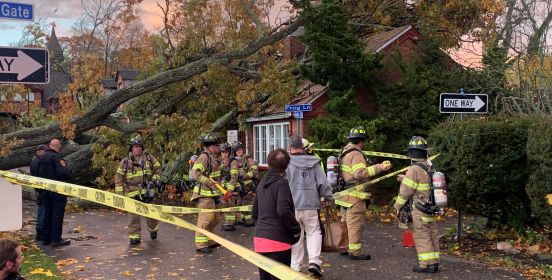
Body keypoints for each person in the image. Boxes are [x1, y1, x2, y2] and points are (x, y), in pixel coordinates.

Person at [337, 127, 392, 260]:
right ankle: (354, 252)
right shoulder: (356, 154)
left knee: (345, 221)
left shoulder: (344, 151)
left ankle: (345, 247)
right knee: (355, 222)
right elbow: (359, 173)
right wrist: (380, 167)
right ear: (361, 141)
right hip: (355, 194)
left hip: (344, 193)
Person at [286, 136, 332, 277]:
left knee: (296, 236)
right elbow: (323, 184)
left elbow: (281, 184)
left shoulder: (286, 164)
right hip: (311, 205)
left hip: (292, 206)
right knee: (314, 232)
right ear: (302, 147)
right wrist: (329, 198)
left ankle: (295, 266)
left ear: (289, 148)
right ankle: (314, 262)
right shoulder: (314, 163)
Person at [253, 148, 301, 280]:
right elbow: (283, 211)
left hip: (260, 241)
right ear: (286, 166)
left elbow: (254, 212)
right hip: (279, 242)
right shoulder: (282, 184)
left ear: (269, 164)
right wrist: (296, 229)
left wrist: (263, 230)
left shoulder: (261, 184)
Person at [393, 136, 440, 273]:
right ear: (425, 152)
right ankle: (434, 262)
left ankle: (426, 264)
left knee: (421, 236)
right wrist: (405, 178)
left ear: (411, 153)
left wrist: (397, 206)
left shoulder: (414, 169)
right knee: (432, 235)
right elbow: (422, 184)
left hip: (419, 209)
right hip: (430, 207)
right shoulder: (429, 167)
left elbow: (406, 191)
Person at [114, 135, 163, 245]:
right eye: (135, 146)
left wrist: (153, 181)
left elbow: (158, 170)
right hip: (132, 193)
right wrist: (119, 195)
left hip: (147, 192)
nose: (138, 149)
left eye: (140, 146)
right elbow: (119, 178)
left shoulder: (149, 158)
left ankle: (153, 230)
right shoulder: (125, 162)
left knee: (152, 215)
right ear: (131, 148)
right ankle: (134, 237)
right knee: (133, 218)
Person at [190, 133, 223, 253]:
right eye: (217, 145)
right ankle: (201, 244)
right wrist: (208, 183)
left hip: (213, 194)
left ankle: (209, 240)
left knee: (215, 218)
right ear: (212, 146)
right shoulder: (204, 157)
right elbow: (196, 173)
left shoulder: (213, 157)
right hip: (204, 194)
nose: (219, 147)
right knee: (206, 219)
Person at [38, 139, 71, 247]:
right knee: (57, 214)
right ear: (58, 146)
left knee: (47, 214)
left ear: (49, 146)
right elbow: (63, 172)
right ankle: (56, 239)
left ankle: (46, 239)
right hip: (57, 191)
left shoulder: (42, 157)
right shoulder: (56, 157)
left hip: (45, 190)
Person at [230, 141, 258, 227]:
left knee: (246, 202)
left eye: (240, 149)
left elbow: (255, 170)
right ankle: (243, 219)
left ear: (243, 149)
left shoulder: (248, 159)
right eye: (237, 150)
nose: (239, 151)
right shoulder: (233, 161)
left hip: (248, 185)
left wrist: (245, 176)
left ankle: (249, 221)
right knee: (240, 203)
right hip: (239, 186)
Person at [30, 144, 48, 242]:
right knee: (43, 210)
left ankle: (40, 230)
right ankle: (41, 231)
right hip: (43, 189)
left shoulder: (33, 161)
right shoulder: (41, 161)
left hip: (38, 188)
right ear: (42, 151)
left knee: (41, 209)